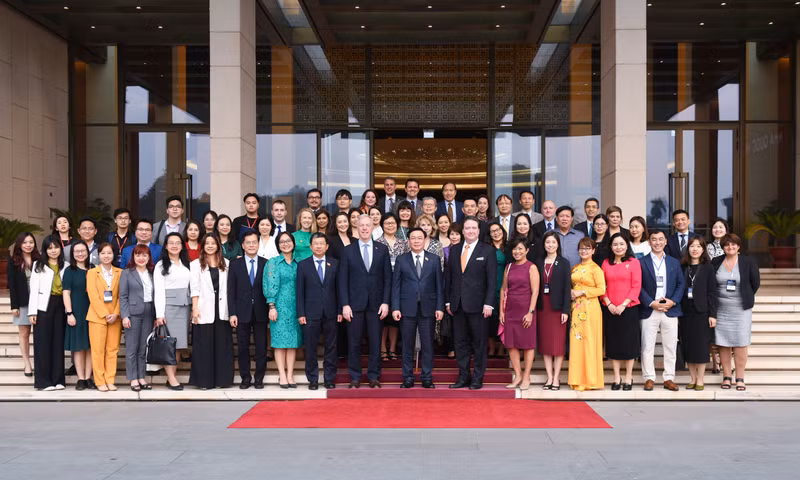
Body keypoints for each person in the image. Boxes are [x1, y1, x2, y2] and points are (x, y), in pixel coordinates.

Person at [338, 214, 392, 388]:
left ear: (372, 227)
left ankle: (374, 376)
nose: (364, 228)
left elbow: (387, 278)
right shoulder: (348, 250)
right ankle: (355, 377)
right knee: (354, 342)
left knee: (375, 342)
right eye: (361, 225)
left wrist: (386, 302)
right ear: (356, 227)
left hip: (377, 305)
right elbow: (342, 280)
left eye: (367, 225)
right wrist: (345, 304)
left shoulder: (382, 249)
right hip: (354, 305)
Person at [445, 216, 497, 390]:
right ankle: (463, 377)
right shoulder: (454, 250)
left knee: (479, 343)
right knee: (460, 343)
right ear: (463, 231)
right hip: (457, 305)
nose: (470, 231)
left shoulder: (487, 250)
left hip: (479, 306)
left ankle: (478, 378)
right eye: (467, 228)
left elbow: (492, 280)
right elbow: (449, 277)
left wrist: (489, 303)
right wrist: (448, 301)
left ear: (479, 231)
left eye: (474, 228)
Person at [392, 228, 444, 389]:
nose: (416, 241)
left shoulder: (434, 259)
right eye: (413, 238)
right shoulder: (401, 259)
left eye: (419, 238)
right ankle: (407, 377)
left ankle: (427, 377)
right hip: (406, 308)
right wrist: (395, 307)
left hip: (428, 308)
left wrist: (440, 307)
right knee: (407, 345)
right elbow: (396, 285)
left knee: (427, 345)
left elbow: (439, 285)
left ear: (425, 240)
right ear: (408, 241)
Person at [712, 233, 760, 391]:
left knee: (740, 343)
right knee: (723, 343)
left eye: (733, 244)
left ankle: (740, 377)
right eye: (727, 245)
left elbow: (755, 283)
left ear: (738, 246)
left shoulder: (747, 262)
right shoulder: (716, 261)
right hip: (720, 309)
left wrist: (745, 295)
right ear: (723, 247)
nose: (730, 247)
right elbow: (711, 283)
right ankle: (726, 376)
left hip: (741, 309)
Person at [639, 229, 685, 391]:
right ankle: (649, 378)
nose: (657, 242)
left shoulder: (674, 262)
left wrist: (673, 301)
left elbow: (681, 283)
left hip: (669, 309)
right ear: (649, 242)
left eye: (660, 239)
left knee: (670, 345)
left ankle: (669, 378)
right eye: (654, 239)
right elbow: (638, 286)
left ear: (666, 242)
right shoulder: (641, 262)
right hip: (650, 309)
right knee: (647, 346)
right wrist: (651, 303)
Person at [189, 234, 234, 390]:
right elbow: (194, 288)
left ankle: (222, 380)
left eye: (213, 243)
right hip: (203, 308)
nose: (210, 246)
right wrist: (195, 308)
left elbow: (229, 288)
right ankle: (204, 381)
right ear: (202, 246)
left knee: (222, 346)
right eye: (207, 243)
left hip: (222, 309)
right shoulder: (195, 264)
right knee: (204, 346)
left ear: (218, 246)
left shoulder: (226, 263)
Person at [296, 233, 341, 390]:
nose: (319, 246)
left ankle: (329, 378)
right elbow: (299, 291)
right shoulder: (303, 265)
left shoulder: (335, 263)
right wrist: (301, 313)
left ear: (327, 246)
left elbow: (339, 289)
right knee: (310, 348)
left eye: (322, 243)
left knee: (331, 347)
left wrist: (340, 310)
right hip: (310, 313)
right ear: (311, 246)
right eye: (316, 243)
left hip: (331, 312)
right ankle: (313, 379)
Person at [600, 233, 642, 391]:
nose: (619, 247)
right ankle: (616, 377)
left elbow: (636, 286)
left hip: (629, 309)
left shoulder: (634, 262)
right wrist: (609, 303)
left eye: (622, 244)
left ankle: (628, 377)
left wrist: (623, 304)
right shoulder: (606, 263)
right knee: (613, 344)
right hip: (610, 309)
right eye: (615, 244)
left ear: (627, 245)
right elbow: (601, 285)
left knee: (629, 344)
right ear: (611, 247)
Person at [227, 231, 269, 389]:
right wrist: (232, 313)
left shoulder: (266, 263)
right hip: (241, 311)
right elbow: (231, 290)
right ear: (243, 246)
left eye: (254, 242)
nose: (251, 245)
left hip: (261, 310)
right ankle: (245, 378)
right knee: (243, 347)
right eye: (248, 243)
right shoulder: (235, 264)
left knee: (261, 347)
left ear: (258, 244)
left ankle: (259, 378)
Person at [499, 237, 539, 390]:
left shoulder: (531, 267)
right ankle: (518, 375)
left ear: (527, 250)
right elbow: (503, 289)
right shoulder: (508, 267)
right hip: (510, 310)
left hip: (526, 310)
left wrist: (530, 312)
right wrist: (501, 311)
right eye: (515, 249)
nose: (517, 252)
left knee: (528, 344)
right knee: (511, 344)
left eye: (520, 249)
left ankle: (526, 376)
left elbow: (535, 291)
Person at [28, 236, 67, 391]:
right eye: (49, 248)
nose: (53, 250)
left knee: (58, 343)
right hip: (43, 306)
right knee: (43, 343)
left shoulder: (66, 265)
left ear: (60, 248)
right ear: (45, 250)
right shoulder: (38, 265)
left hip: (61, 305)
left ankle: (58, 380)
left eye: (56, 247)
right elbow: (33, 290)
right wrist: (32, 311)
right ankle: (43, 381)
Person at [154, 233, 192, 391]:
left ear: (182, 246)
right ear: (166, 246)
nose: (174, 246)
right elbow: (159, 291)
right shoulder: (160, 265)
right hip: (169, 308)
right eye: (171, 243)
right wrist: (159, 314)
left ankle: (171, 377)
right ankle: (171, 378)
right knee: (170, 345)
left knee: (179, 345)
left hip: (185, 306)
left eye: (178, 243)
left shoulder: (186, 263)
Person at [265, 232, 303, 388]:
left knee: (292, 343)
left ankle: (290, 375)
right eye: (282, 242)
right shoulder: (273, 262)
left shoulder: (299, 262)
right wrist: (272, 306)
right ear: (278, 245)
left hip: (295, 307)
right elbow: (269, 284)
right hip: (279, 307)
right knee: (280, 343)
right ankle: (282, 375)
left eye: (288, 241)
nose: (285, 244)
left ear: (293, 243)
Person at [567, 237, 606, 391]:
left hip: (591, 309)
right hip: (577, 308)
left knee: (589, 342)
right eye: (581, 248)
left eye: (587, 248)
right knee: (576, 342)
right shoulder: (575, 268)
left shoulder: (596, 269)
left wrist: (582, 292)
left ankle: (590, 380)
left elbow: (601, 289)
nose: (584, 251)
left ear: (593, 251)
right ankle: (577, 378)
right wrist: (572, 292)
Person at [680, 236, 718, 391]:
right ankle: (692, 378)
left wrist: (713, 314)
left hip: (702, 313)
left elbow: (712, 292)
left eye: (698, 246)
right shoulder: (683, 267)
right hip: (685, 313)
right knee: (688, 346)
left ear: (703, 249)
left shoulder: (708, 268)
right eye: (692, 246)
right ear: (688, 249)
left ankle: (700, 379)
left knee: (701, 347)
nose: (695, 249)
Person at [535, 232, 571, 390]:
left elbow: (567, 288)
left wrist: (565, 310)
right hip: (542, 307)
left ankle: (556, 378)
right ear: (544, 244)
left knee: (558, 344)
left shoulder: (564, 263)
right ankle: (549, 377)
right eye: (547, 242)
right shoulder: (538, 262)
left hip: (557, 308)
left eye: (553, 242)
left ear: (558, 244)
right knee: (545, 344)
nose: (550, 245)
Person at [85, 243, 122, 392]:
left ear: (114, 255)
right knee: (98, 350)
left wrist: (116, 313)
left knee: (112, 349)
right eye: (103, 253)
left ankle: (110, 379)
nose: (106, 256)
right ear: (98, 255)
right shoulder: (92, 273)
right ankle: (100, 381)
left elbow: (122, 295)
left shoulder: (120, 272)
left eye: (109, 253)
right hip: (97, 316)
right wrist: (105, 314)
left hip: (115, 317)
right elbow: (93, 295)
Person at [120, 244, 156, 392]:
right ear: (133, 257)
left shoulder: (152, 273)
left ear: (149, 257)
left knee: (142, 348)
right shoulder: (127, 273)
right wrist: (125, 316)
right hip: (133, 313)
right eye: (138, 255)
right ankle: (133, 378)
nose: (141, 258)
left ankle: (141, 376)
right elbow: (123, 296)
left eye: (144, 255)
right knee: (132, 348)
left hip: (148, 312)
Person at [376, 212, 409, 360]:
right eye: (387, 223)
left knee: (395, 318)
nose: (390, 225)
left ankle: (393, 349)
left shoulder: (404, 243)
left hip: (400, 284)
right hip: (381, 284)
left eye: (393, 223)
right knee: (382, 318)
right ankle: (383, 349)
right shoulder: (377, 243)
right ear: (382, 225)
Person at [62, 241, 92, 390]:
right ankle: (81, 378)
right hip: (77, 312)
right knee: (79, 347)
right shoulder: (70, 271)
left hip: (93, 312)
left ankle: (88, 377)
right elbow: (66, 293)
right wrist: (69, 313)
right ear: (72, 254)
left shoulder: (93, 269)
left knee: (91, 347)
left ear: (87, 252)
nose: (80, 254)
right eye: (77, 251)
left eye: (83, 250)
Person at [8, 233, 39, 378]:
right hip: (23, 302)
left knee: (40, 335)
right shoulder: (14, 261)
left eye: (31, 242)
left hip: (39, 302)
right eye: (25, 242)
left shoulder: (39, 259)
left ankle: (40, 363)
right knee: (24, 334)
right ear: (19, 244)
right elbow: (11, 284)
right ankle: (27, 363)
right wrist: (14, 305)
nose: (28, 245)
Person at [486, 222, 507, 359]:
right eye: (492, 231)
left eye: (498, 230)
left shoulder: (509, 247)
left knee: (504, 316)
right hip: (490, 285)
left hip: (505, 285)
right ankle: (492, 347)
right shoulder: (486, 248)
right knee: (490, 319)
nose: (496, 233)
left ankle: (502, 347)